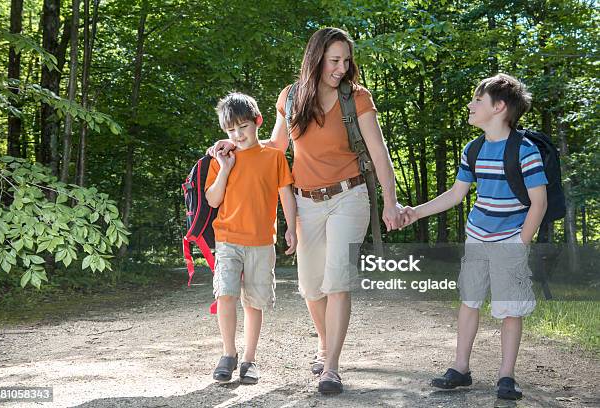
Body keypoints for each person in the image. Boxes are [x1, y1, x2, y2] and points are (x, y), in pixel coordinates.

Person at [209, 27, 403, 394]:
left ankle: (331, 367)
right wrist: (237, 143)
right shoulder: (292, 96)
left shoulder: (357, 98)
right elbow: (276, 145)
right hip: (306, 202)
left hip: (350, 195)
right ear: (316, 59)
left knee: (337, 281)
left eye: (346, 60)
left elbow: (379, 154)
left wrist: (390, 202)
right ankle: (325, 343)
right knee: (311, 287)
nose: (342, 67)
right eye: (334, 60)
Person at [402, 73, 548, 400]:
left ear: (498, 107)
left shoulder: (525, 151)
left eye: (477, 100)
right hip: (477, 236)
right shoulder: (474, 148)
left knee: (510, 309)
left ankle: (506, 376)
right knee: (469, 302)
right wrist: (416, 211)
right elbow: (456, 194)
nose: (470, 105)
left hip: (511, 238)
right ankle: (460, 368)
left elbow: (539, 203)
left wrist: (520, 243)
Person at [205, 92, 297, 384]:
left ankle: (249, 360)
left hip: (260, 241)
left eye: (243, 127)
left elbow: (286, 196)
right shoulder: (221, 159)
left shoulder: (274, 158)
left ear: (257, 121)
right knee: (226, 295)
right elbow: (212, 200)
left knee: (253, 302)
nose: (238, 134)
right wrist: (225, 168)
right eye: (231, 130)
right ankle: (228, 354)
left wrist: (291, 227)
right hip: (228, 239)